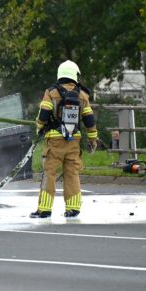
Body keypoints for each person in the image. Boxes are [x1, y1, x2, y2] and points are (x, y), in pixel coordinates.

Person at [30, 60, 98, 219]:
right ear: (75, 75)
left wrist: (39, 127)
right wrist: (93, 139)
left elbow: (44, 113)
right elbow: (89, 120)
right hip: (74, 140)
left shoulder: (51, 92)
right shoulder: (83, 95)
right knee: (72, 173)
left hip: (55, 140)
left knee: (50, 173)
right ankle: (73, 208)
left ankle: (44, 209)